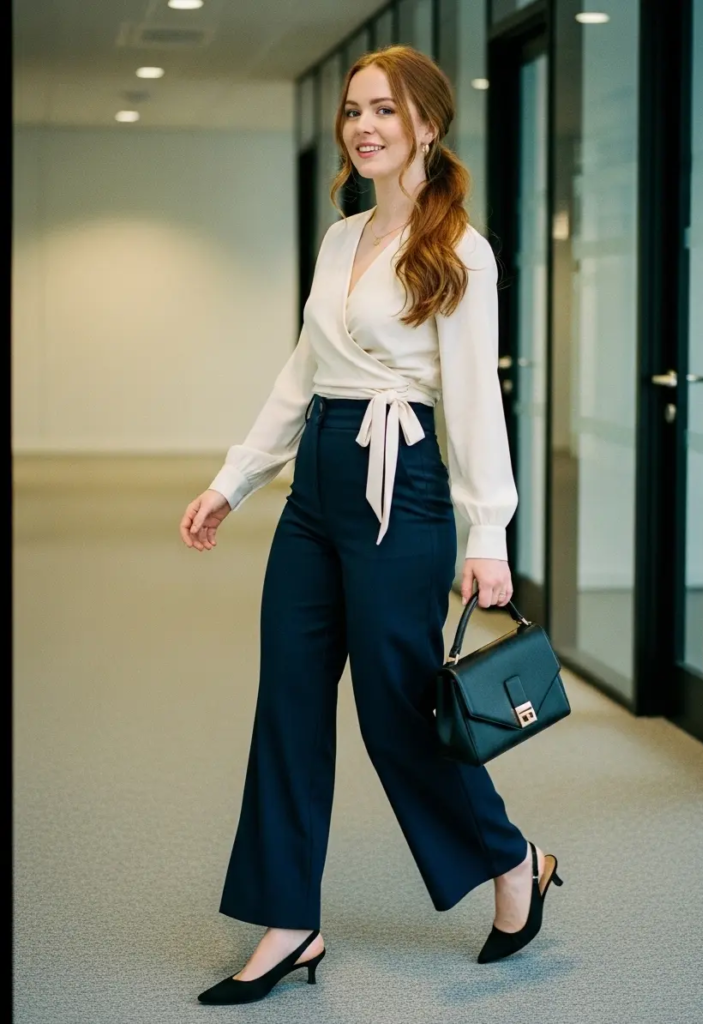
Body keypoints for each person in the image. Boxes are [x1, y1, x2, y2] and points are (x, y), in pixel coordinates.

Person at [180, 44, 562, 1007]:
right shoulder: (340, 237)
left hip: (406, 485)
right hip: (318, 482)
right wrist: (236, 479)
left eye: (384, 110)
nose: (363, 127)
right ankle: (289, 922)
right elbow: (301, 372)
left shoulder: (459, 249)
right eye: (354, 110)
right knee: (289, 697)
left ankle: (513, 858)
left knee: (397, 713)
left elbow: (475, 400)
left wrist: (488, 533)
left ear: (427, 124)